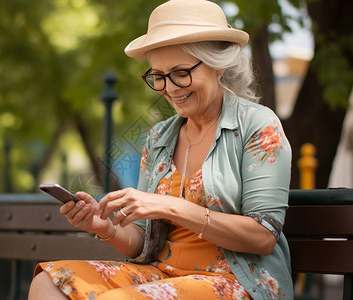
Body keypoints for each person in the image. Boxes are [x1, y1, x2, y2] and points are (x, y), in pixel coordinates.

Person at [28, 0, 293, 299]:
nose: (169, 87)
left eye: (181, 72)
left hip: (236, 282)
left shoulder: (257, 125)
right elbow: (142, 242)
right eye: (158, 76)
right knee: (49, 281)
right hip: (161, 275)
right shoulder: (158, 138)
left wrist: (170, 206)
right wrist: (103, 227)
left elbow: (263, 237)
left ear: (218, 65)